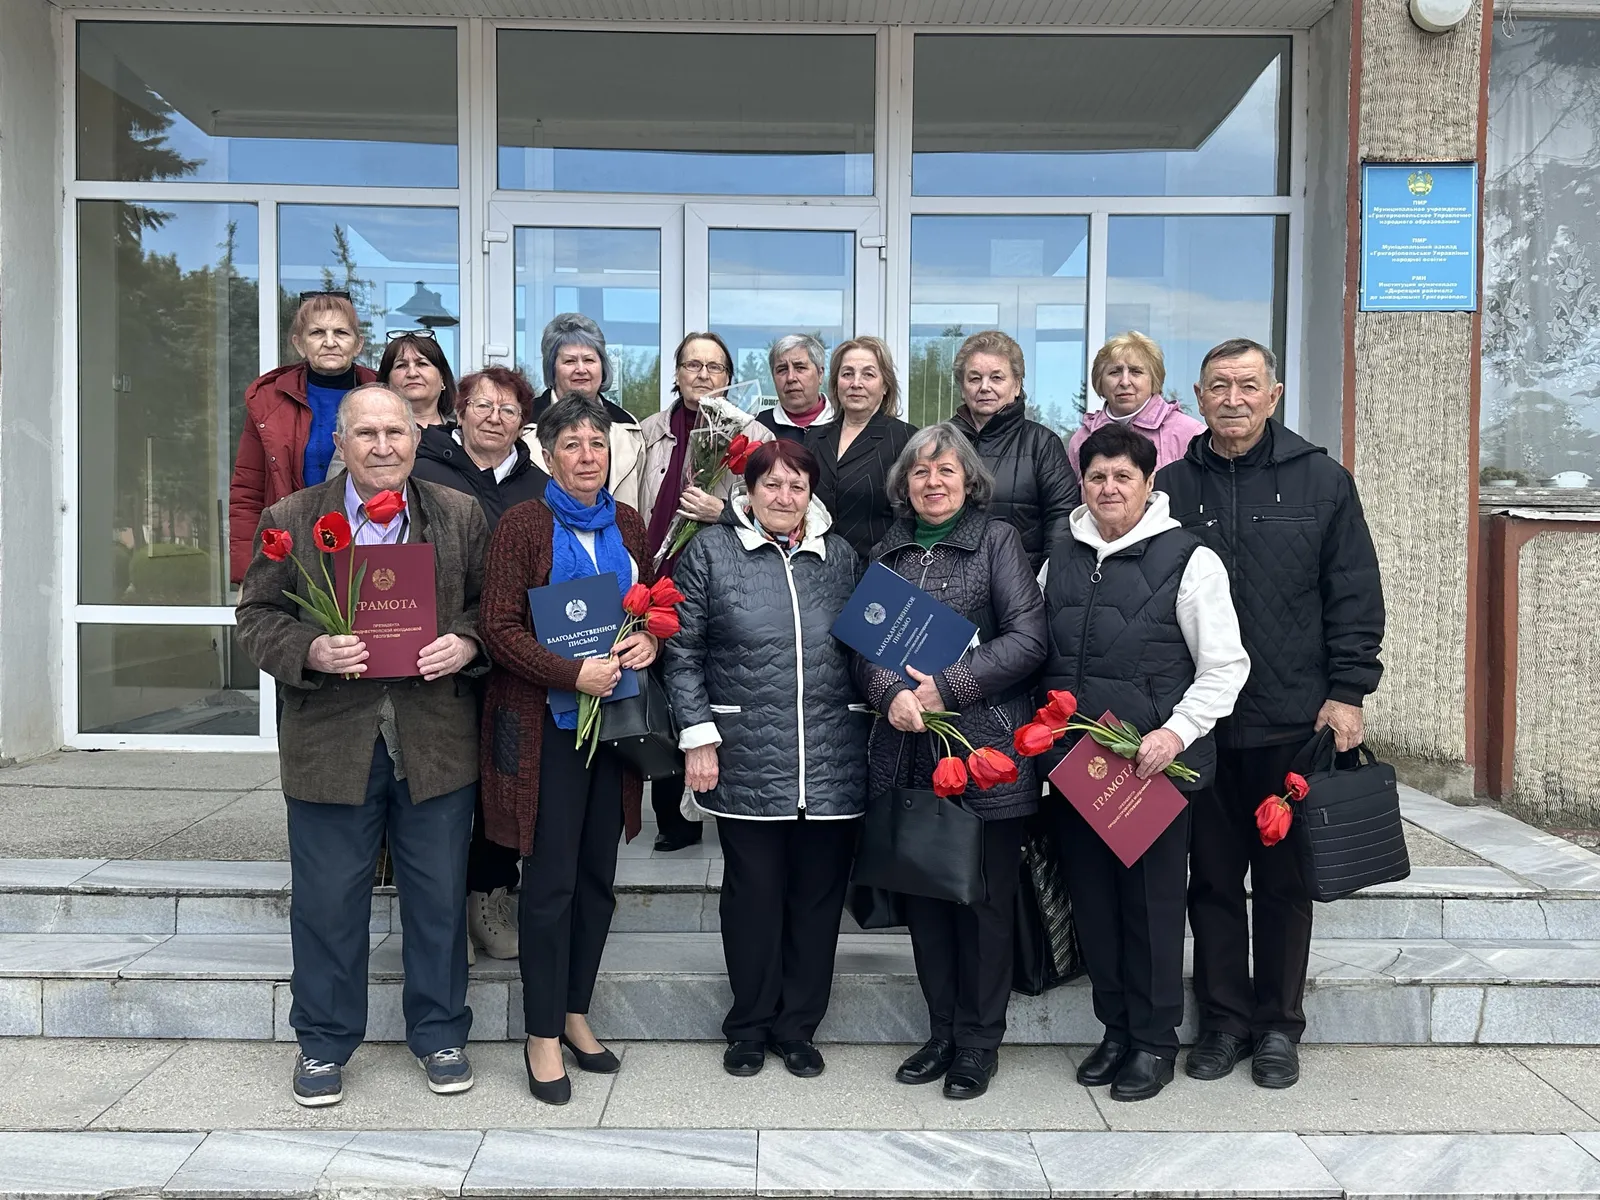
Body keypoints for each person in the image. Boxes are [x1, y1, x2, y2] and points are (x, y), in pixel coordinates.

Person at [235, 383, 489, 1108]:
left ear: (417, 438)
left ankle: (440, 1033)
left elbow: (487, 608)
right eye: (366, 434)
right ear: (340, 444)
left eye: (395, 432)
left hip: (434, 740)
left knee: (438, 900)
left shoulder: (459, 513)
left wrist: (465, 643)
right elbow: (255, 616)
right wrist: (310, 649)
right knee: (327, 903)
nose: (383, 447)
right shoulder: (291, 519)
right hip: (330, 742)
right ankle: (322, 1042)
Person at [1156, 337, 1385, 1091]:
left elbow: (1353, 591)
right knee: (1212, 881)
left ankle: (1279, 1027)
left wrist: (1348, 691)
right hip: (1202, 727)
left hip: (1293, 721)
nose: (1234, 399)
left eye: (1248, 385)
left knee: (1285, 883)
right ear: (1197, 397)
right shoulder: (1169, 488)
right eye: (1219, 386)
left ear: (1274, 395)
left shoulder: (1322, 480)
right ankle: (1223, 1022)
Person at [1038, 422, 1248, 1102]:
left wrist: (1175, 734)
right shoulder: (1060, 557)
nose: (1109, 488)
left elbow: (1224, 666)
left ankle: (1154, 1040)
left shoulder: (1190, 559)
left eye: (1123, 477)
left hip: (1152, 768)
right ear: (1083, 484)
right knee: (1094, 906)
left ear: (1149, 483)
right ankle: (1116, 1029)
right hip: (1079, 768)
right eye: (1097, 477)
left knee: (1151, 910)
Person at [661, 439, 868, 1080]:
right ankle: (749, 1026)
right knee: (752, 899)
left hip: (832, 757)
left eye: (797, 486)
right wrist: (697, 737)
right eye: (771, 484)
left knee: (817, 902)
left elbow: (869, 647)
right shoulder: (711, 552)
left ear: (812, 494)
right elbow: (682, 653)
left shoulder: (840, 557)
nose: (784, 496)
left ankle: (798, 1028)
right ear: (747, 492)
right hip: (746, 754)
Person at [856, 424, 1047, 1101]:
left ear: (969, 481)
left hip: (986, 749)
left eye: (945, 471)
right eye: (920, 472)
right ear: (903, 485)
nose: (932, 482)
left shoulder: (997, 541)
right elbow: (863, 649)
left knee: (984, 903)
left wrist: (950, 686)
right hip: (909, 753)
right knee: (929, 902)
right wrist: (891, 694)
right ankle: (941, 1033)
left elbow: (1029, 638)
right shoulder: (887, 552)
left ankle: (978, 1042)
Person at [478, 395, 660, 1106]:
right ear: (548, 455)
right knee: (551, 883)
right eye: (573, 444)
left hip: (614, 726)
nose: (588, 456)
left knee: (596, 879)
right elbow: (498, 627)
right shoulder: (525, 523)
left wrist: (648, 643)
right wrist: (569, 673)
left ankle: (576, 1011)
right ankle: (542, 1032)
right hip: (547, 729)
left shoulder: (629, 524)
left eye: (598, 444)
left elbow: (649, 610)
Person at [410, 365, 549, 963]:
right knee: (443, 790)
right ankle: (442, 918)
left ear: (524, 423)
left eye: (509, 409)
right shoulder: (422, 472)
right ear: (459, 411)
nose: (495, 417)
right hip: (437, 655)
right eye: (483, 405)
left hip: (512, 662)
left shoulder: (540, 486)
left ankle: (489, 898)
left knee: (503, 785)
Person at [638, 332, 771, 852]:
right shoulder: (645, 433)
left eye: (714, 368)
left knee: (715, 692)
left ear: (728, 378)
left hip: (723, 585)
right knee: (665, 696)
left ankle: (727, 803)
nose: (703, 375)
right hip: (655, 584)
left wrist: (724, 512)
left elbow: (778, 512)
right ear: (676, 374)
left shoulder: (754, 434)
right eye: (692, 365)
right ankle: (674, 820)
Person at [228, 292, 376, 583]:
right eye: (317, 332)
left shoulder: (383, 393)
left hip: (369, 541)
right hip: (294, 545)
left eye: (341, 332)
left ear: (358, 344)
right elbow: (248, 490)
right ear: (299, 343)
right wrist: (248, 575)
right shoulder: (269, 400)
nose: (330, 342)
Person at [949, 330, 1079, 575]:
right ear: (963, 388)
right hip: (951, 582)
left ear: (1017, 385)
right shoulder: (942, 442)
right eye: (974, 378)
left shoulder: (1041, 443)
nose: (984, 387)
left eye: (996, 378)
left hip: (1021, 582)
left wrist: (1048, 579)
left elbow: (1062, 518)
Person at [805, 336, 917, 561]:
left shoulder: (906, 439)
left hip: (878, 570)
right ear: (836, 384)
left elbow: (911, 518)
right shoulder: (814, 438)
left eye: (868, 374)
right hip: (816, 569)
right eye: (847, 374)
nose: (856, 383)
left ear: (885, 385)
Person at [521, 314, 645, 511]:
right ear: (552, 369)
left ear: (602, 367)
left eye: (589, 360)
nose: (581, 369)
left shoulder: (629, 428)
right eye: (569, 361)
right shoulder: (522, 425)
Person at [1066, 332, 1206, 482]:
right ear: (1099, 380)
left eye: (1136, 372)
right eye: (1114, 372)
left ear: (1154, 379)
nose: (1125, 382)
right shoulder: (1081, 439)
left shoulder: (1191, 434)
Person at [757, 334, 834, 441]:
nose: (790, 378)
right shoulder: (758, 429)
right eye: (782, 369)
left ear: (820, 374)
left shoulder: (845, 423)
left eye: (800, 368)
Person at [380, 330, 457, 429]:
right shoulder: (372, 432)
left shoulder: (464, 432)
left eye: (422, 364)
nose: (412, 374)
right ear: (387, 381)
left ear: (442, 378)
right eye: (401, 365)